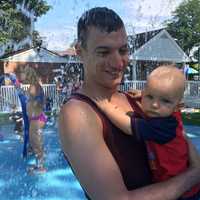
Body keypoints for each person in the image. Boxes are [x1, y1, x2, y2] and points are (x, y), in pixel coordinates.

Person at [59, 7, 200, 200]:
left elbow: (177, 136)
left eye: (123, 50)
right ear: (80, 52)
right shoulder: (78, 113)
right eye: (104, 52)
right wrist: (194, 174)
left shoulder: (135, 98)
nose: (118, 63)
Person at [94, 65, 200, 200]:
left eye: (165, 100)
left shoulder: (163, 126)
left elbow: (129, 126)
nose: (155, 105)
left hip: (184, 193)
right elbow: (159, 96)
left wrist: (106, 107)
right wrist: (142, 95)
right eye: (150, 96)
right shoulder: (170, 114)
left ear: (177, 107)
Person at [25, 66, 47, 173]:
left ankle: (41, 167)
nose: (23, 75)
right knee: (34, 143)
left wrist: (34, 102)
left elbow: (41, 101)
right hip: (35, 118)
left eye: (24, 73)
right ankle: (39, 164)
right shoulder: (34, 86)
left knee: (36, 142)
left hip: (37, 119)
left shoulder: (35, 86)